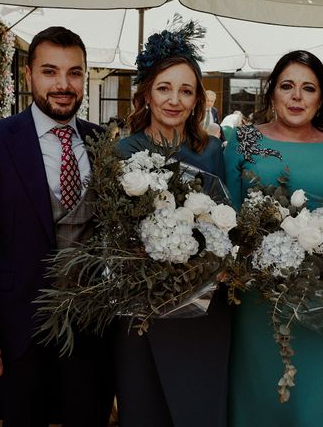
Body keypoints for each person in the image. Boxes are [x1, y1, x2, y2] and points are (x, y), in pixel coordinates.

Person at [0, 26, 114, 426]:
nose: (63, 84)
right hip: (18, 329)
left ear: (85, 76)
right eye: (50, 71)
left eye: (74, 73)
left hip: (91, 330)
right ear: (29, 75)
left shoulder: (103, 142)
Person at [224, 50, 323, 426]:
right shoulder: (242, 142)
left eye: (308, 88)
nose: (297, 97)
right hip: (257, 301)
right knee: (257, 401)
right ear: (272, 93)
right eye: (287, 86)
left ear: (322, 98)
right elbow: (227, 221)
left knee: (312, 408)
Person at [111, 21, 231, 427]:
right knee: (145, 407)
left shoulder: (212, 151)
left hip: (202, 311)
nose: (174, 100)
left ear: (198, 98)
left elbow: (223, 225)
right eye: (164, 88)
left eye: (186, 90)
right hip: (142, 309)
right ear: (146, 92)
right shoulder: (121, 152)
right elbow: (109, 235)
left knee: (197, 409)